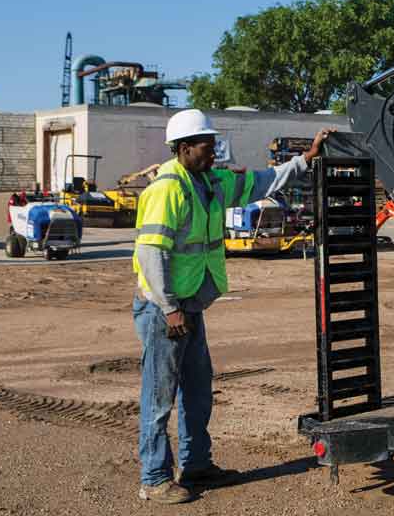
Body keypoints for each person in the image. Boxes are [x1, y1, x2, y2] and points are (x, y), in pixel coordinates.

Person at [133, 109, 333, 503]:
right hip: (164, 310)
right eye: (207, 146)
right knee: (159, 397)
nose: (214, 152)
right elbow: (151, 254)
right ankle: (154, 478)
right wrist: (170, 308)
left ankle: (196, 466)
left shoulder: (211, 181)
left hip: (190, 305)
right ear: (184, 148)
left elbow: (260, 181)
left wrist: (304, 159)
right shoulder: (166, 189)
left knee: (197, 390)